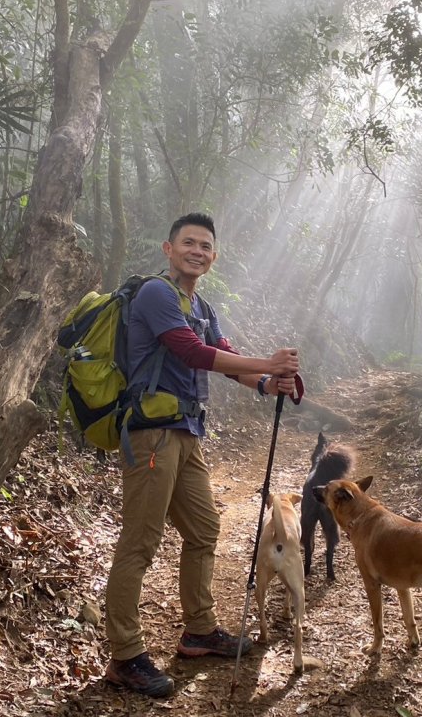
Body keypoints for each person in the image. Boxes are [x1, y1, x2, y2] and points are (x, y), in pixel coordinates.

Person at [104, 212, 301, 698]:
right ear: (168, 248)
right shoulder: (155, 293)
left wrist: (266, 382)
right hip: (152, 435)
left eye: (205, 245)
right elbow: (191, 353)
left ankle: (198, 631)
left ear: (213, 257)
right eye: (188, 242)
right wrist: (267, 364)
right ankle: (125, 657)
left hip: (187, 433)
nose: (197, 250)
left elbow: (224, 355)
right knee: (140, 543)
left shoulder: (203, 306)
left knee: (203, 531)